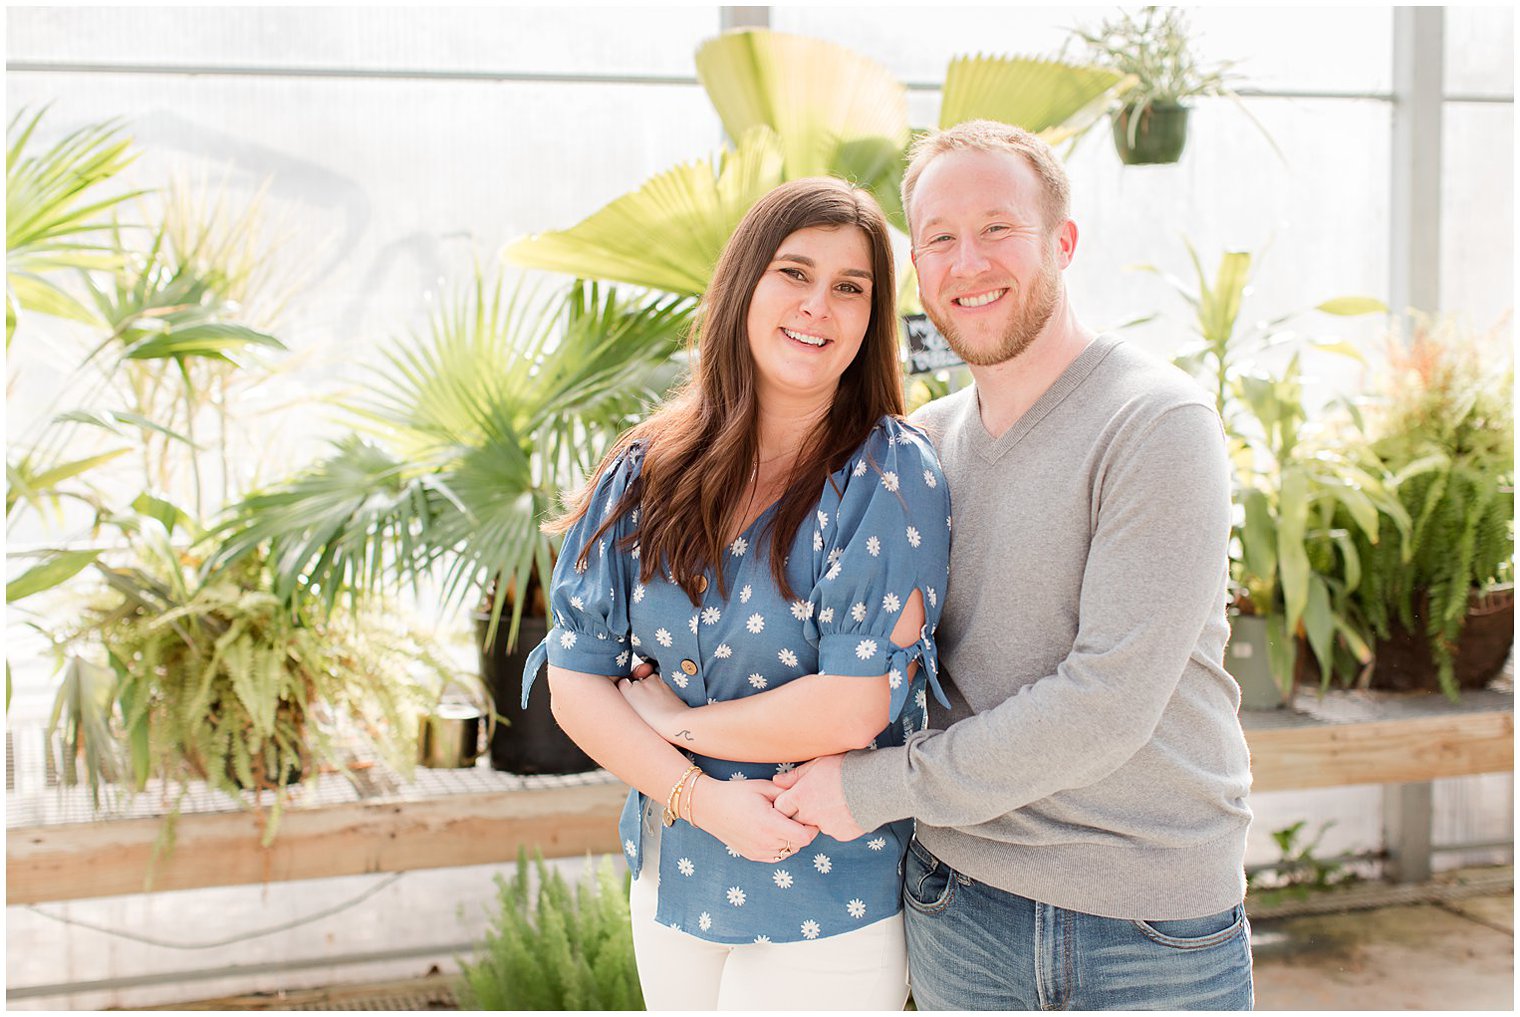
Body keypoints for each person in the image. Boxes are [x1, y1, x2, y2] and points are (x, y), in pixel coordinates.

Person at [772, 120, 1255, 1010]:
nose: (969, 262)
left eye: (999, 228)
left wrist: (874, 789)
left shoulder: (1154, 424)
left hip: (1145, 925)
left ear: (1063, 243)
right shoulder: (921, 447)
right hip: (958, 903)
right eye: (941, 240)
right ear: (917, 270)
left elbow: (1106, 704)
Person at [521, 177, 952, 1010]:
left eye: (849, 288)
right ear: (743, 285)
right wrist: (701, 798)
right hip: (674, 874)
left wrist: (672, 723)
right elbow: (576, 679)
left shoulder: (890, 473)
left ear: (872, 318)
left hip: (831, 893)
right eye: (794, 273)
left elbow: (850, 707)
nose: (817, 306)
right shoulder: (644, 469)